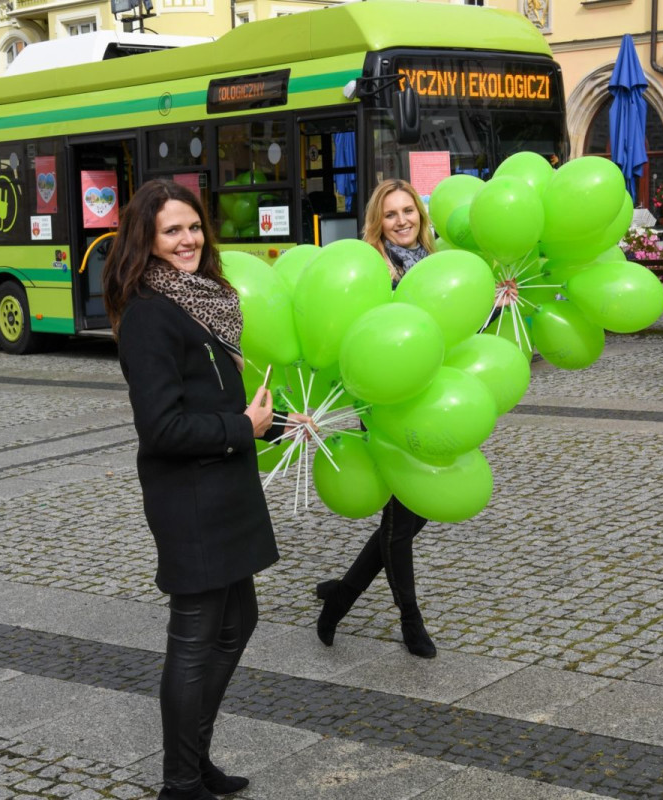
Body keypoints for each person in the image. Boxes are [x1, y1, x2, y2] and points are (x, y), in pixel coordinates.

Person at [103, 179, 310, 800]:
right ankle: (180, 782)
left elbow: (216, 400)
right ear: (147, 239)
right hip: (189, 498)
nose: (187, 239)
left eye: (193, 227)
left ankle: (193, 759)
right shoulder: (148, 314)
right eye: (172, 231)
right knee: (195, 639)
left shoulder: (207, 299)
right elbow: (161, 427)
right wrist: (240, 427)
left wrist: (272, 425)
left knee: (237, 620)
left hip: (225, 488)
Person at [313, 179, 441, 659]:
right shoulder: (374, 268)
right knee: (403, 510)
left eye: (409, 211)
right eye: (391, 214)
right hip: (384, 403)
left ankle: (343, 593)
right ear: (377, 222)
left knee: (414, 510)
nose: (402, 220)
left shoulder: (431, 265)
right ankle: (410, 620)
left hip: (427, 400)